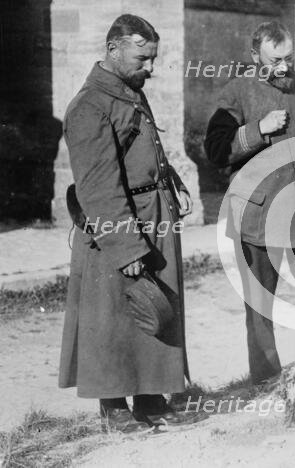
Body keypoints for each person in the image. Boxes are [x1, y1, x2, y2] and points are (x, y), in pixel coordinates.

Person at [59, 14, 202, 432]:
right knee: (113, 317)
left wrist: (170, 181)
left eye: (153, 59)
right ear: (113, 49)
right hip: (116, 225)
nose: (150, 69)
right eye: (143, 59)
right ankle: (114, 407)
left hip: (153, 216)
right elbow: (98, 186)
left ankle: (150, 396)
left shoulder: (128, 90)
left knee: (153, 308)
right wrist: (127, 246)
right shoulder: (89, 106)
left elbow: (141, 151)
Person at [204, 21, 295, 385]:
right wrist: (258, 129)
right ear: (255, 56)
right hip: (259, 214)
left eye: (289, 58)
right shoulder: (236, 92)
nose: (284, 67)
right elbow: (216, 150)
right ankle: (266, 379)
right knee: (260, 302)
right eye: (274, 60)